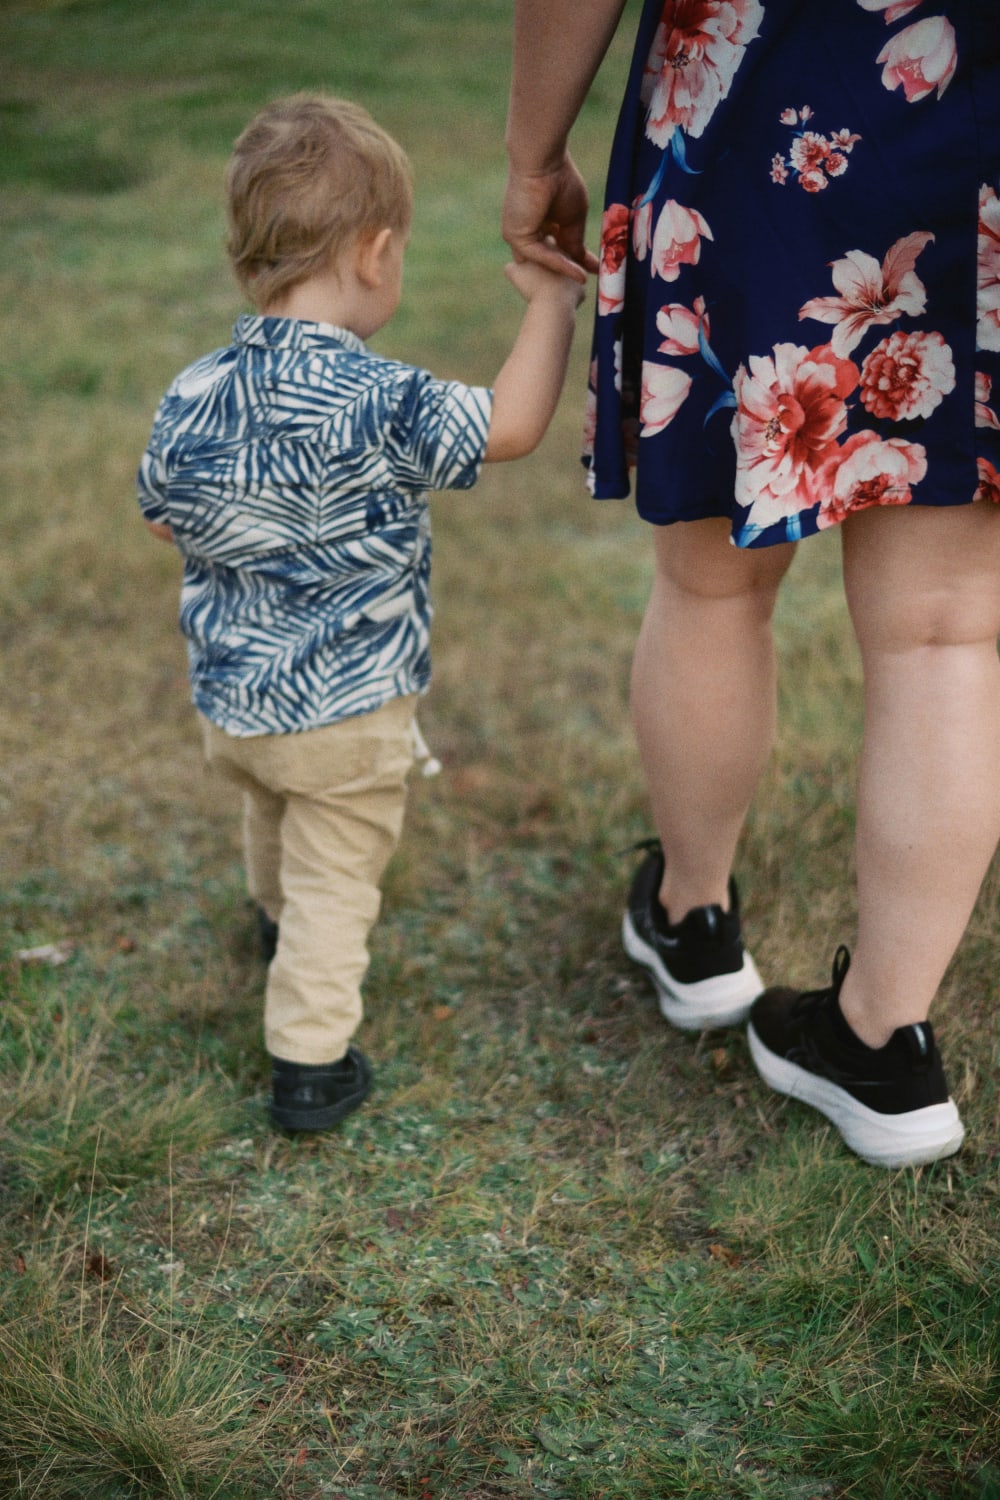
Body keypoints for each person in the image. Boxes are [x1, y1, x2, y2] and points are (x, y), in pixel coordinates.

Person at [503, 0, 1000, 1167]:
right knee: (944, 638)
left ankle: (695, 925)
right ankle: (881, 1042)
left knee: (714, 589)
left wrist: (533, 151)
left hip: (763, 110)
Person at [139, 93, 584, 1133]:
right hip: (345, 709)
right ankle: (309, 1060)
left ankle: (269, 919)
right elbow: (512, 427)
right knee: (340, 875)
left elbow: (163, 520)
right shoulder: (377, 398)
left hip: (233, 701)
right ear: (377, 254)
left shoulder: (191, 391)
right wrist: (548, 309)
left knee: (267, 807)